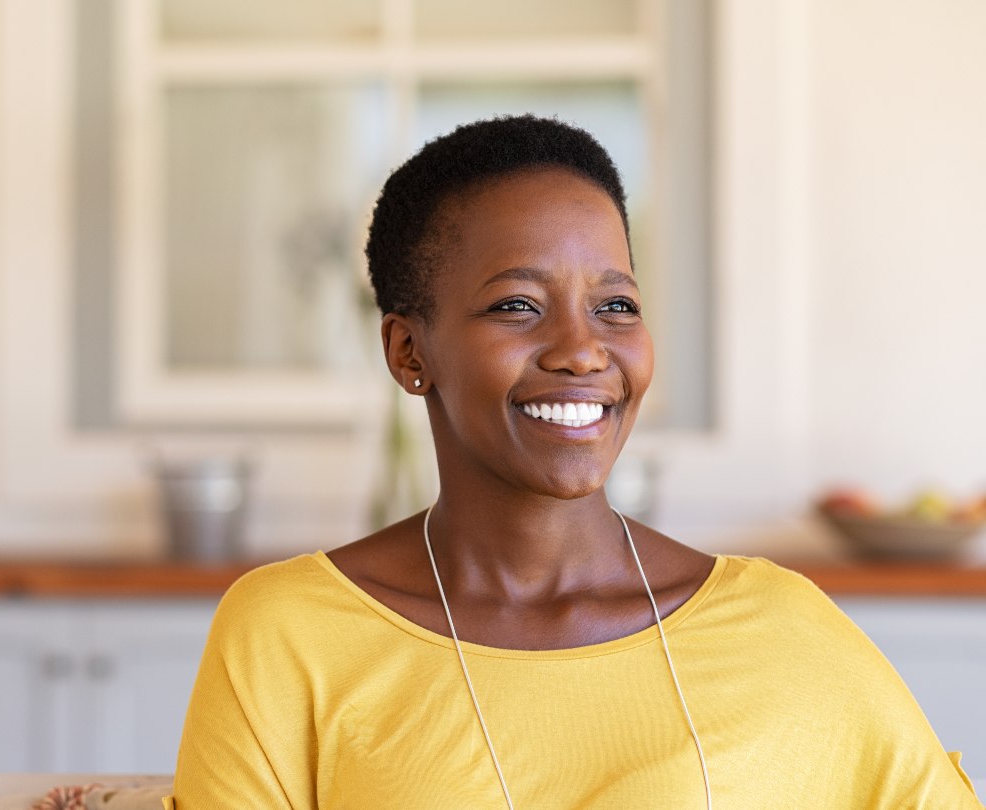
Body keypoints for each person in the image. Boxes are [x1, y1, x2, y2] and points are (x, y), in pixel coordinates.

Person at [165, 115, 980, 808]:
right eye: (518, 305)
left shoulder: (783, 628)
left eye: (615, 305)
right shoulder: (289, 636)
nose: (583, 350)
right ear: (410, 350)